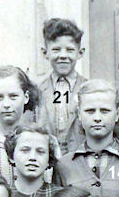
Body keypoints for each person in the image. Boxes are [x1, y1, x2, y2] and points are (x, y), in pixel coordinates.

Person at [36, 18, 87, 157]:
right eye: (56, 50)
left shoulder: (89, 90)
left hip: (81, 162)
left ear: (80, 53)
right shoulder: (36, 91)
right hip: (46, 162)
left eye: (70, 50)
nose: (63, 56)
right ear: (45, 53)